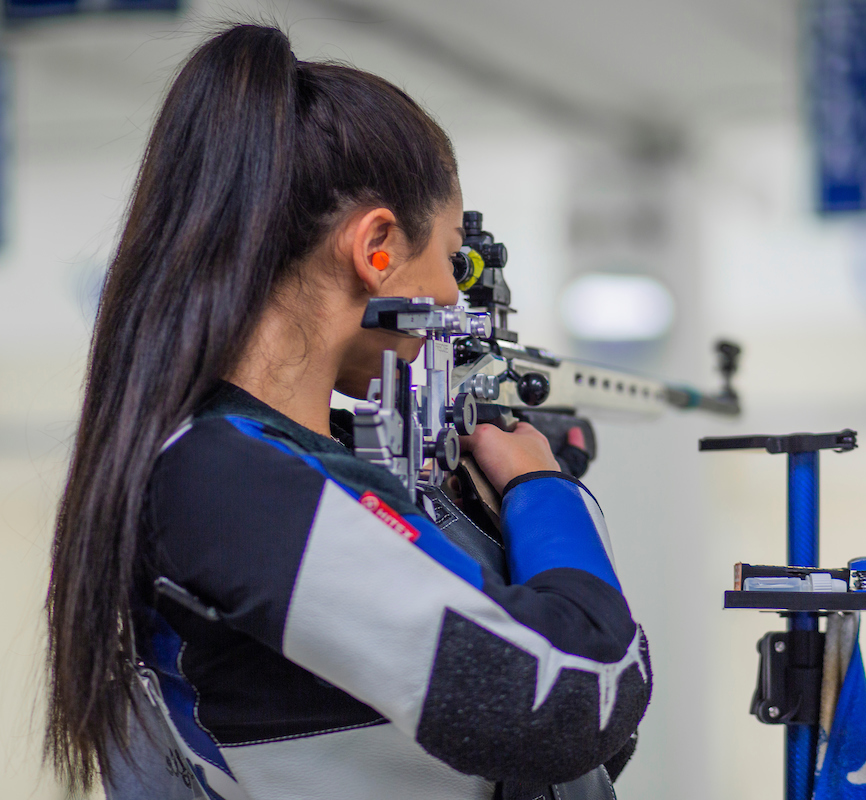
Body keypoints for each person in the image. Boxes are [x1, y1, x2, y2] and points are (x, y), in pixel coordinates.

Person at [44, 24, 650, 800]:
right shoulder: (227, 478)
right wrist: (543, 490)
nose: (452, 299)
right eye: (450, 262)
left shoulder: (234, 467)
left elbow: (551, 761)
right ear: (376, 250)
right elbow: (573, 700)